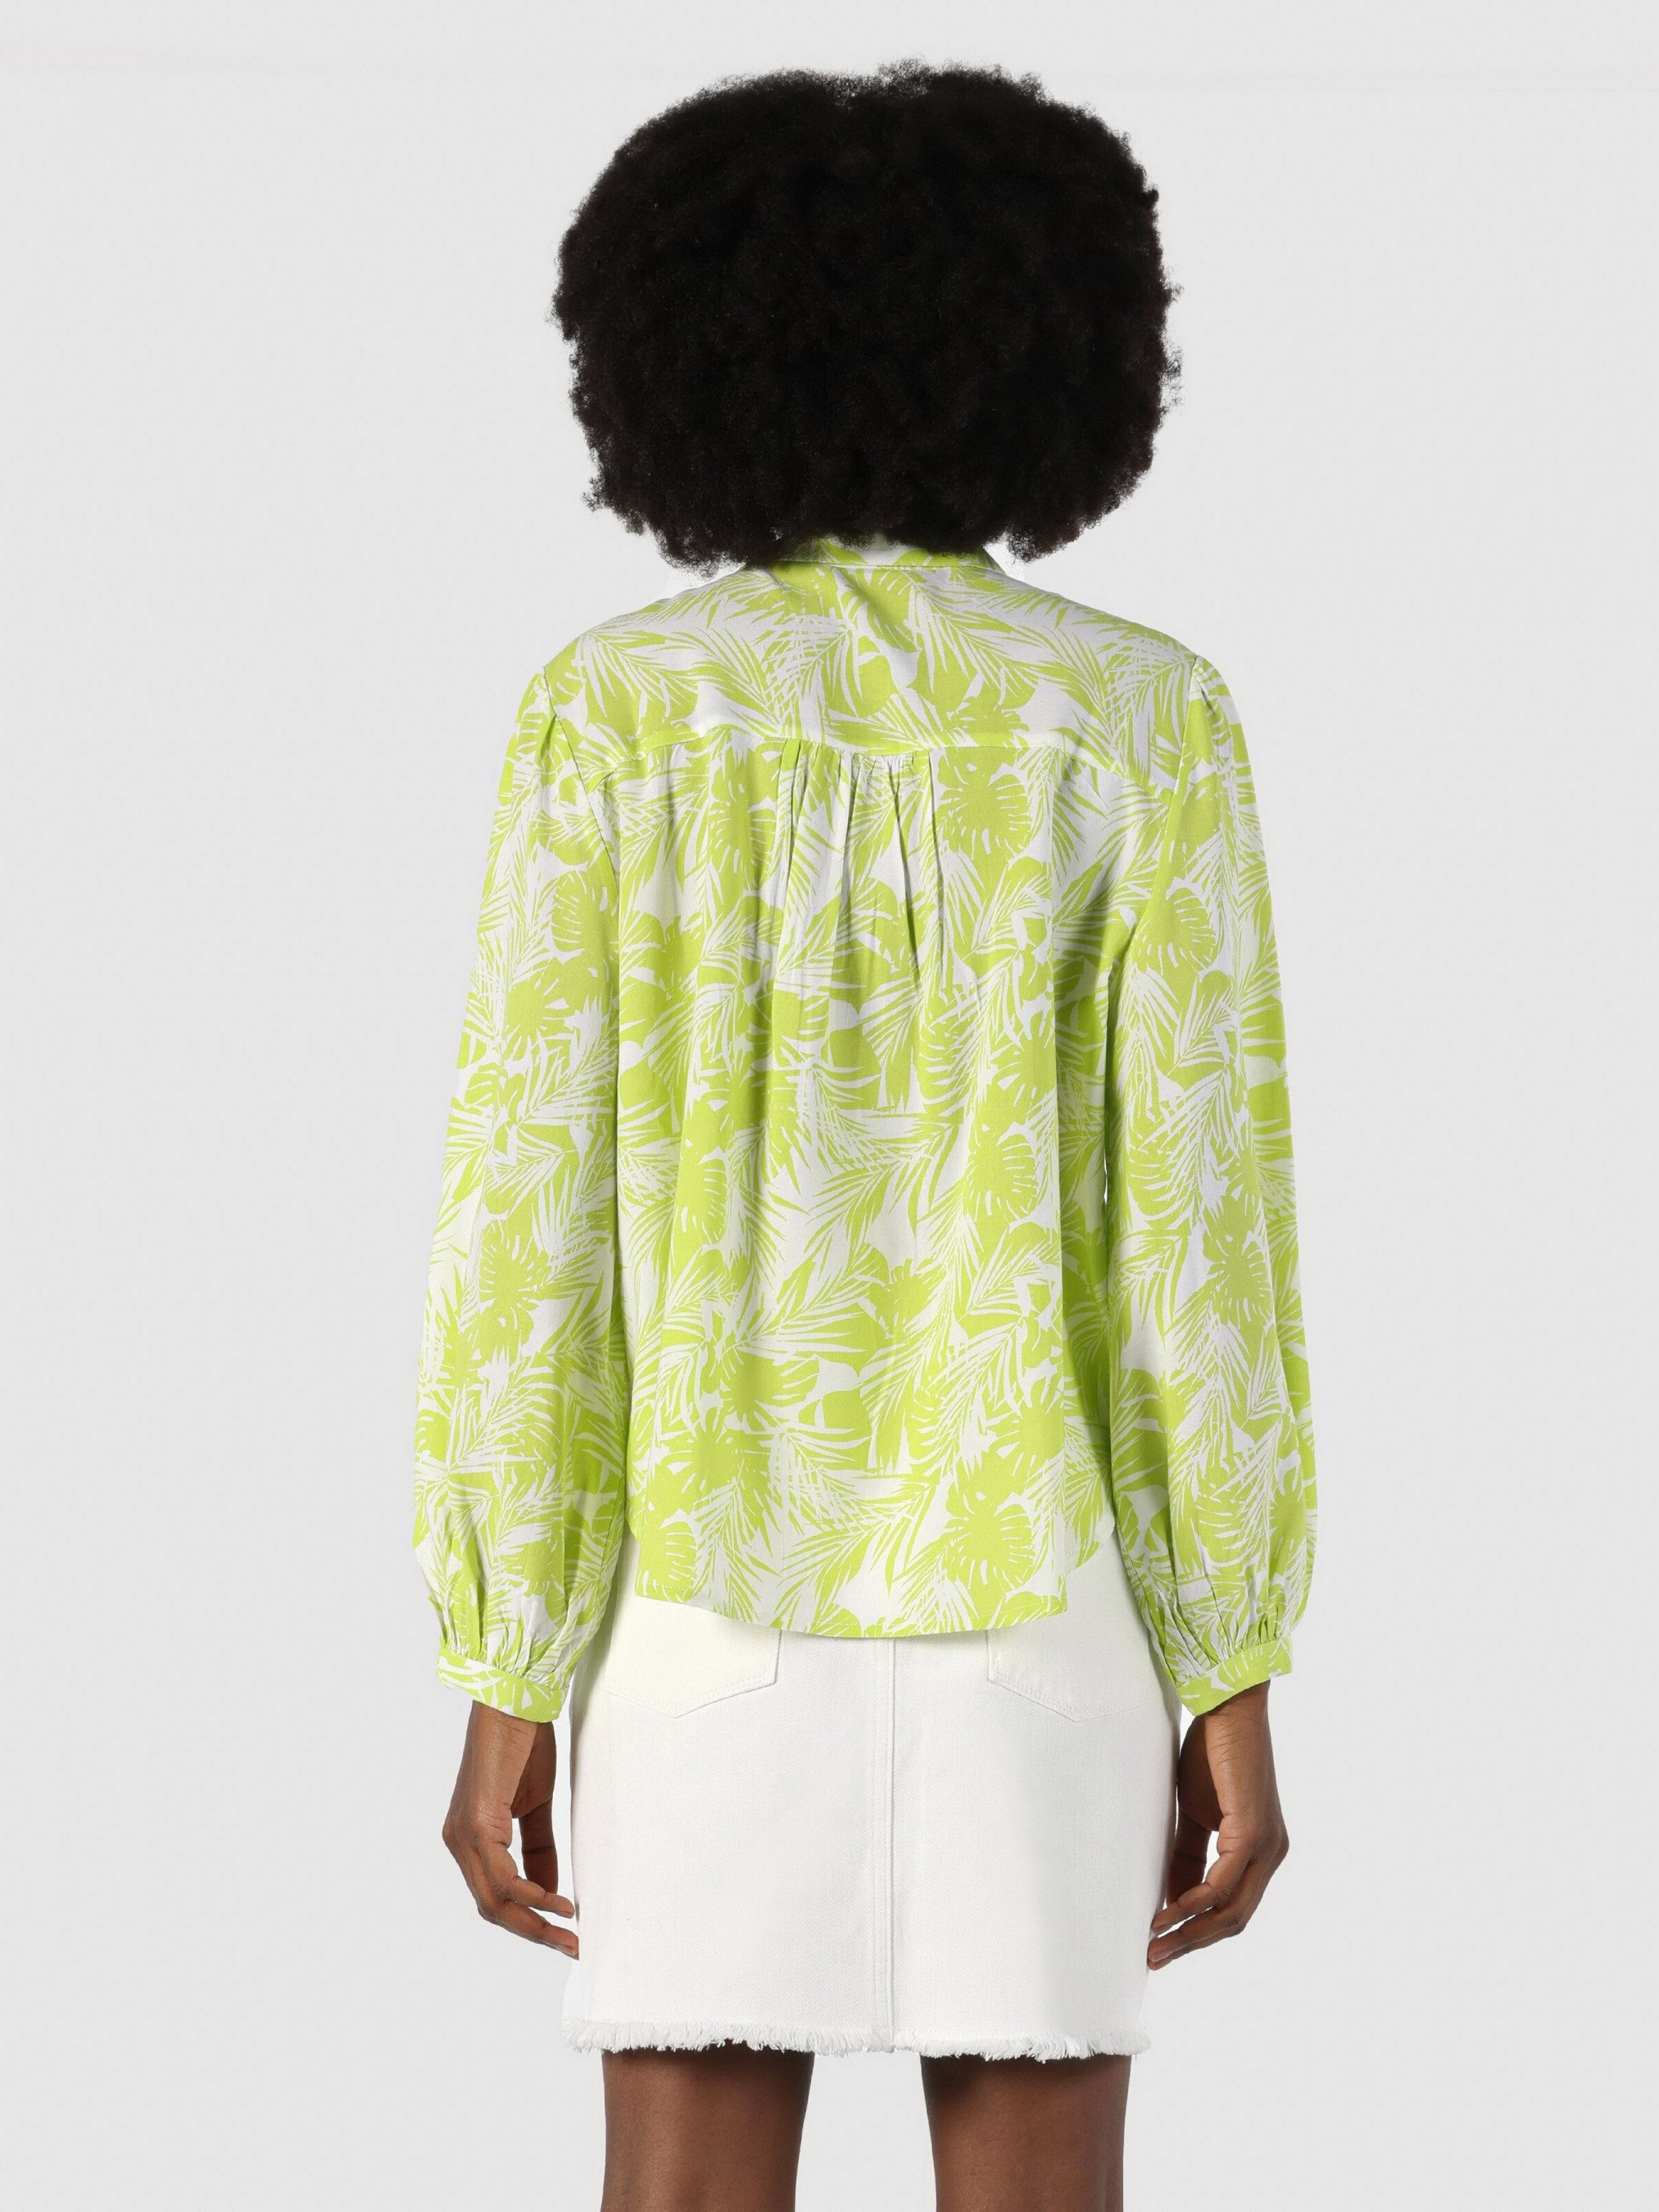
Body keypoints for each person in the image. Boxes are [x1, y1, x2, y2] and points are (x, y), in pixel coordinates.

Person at [414, 61, 1316, 2212]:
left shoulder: (614, 709)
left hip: (696, 1602)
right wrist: (1230, 1651)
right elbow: (1197, 1233)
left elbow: (531, 1219)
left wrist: (507, 1647)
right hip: (1047, 1607)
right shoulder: (1142, 716)